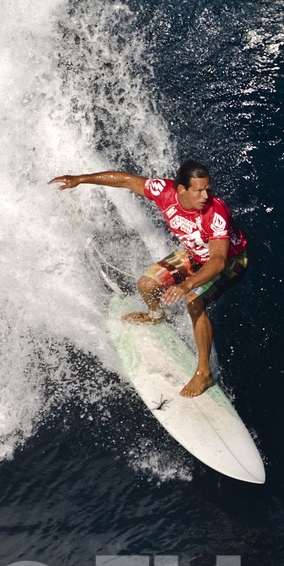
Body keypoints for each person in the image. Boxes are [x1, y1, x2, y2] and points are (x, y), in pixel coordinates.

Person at [49, 161, 248, 397]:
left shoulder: (216, 211)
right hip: (194, 253)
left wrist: (186, 285)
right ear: (181, 189)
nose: (206, 196)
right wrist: (81, 178)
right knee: (146, 284)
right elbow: (125, 180)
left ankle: (204, 373)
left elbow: (217, 261)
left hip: (231, 262)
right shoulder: (164, 192)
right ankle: (156, 316)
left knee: (193, 301)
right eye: (199, 190)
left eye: (208, 189)